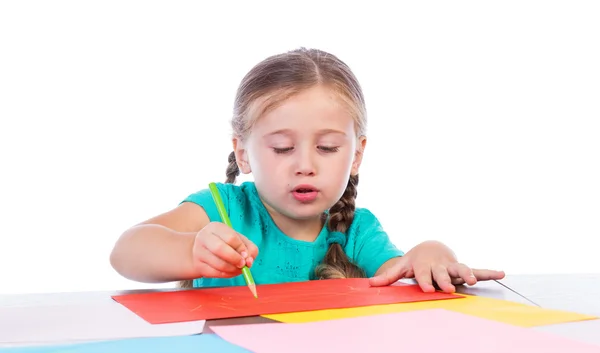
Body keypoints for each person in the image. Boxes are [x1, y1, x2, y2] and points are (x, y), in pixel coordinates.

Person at [109, 47, 505, 293]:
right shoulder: (222, 209)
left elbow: (398, 275)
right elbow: (126, 252)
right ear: (242, 153)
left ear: (356, 155)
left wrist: (432, 254)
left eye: (327, 147)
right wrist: (189, 251)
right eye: (282, 148)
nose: (305, 166)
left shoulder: (356, 231)